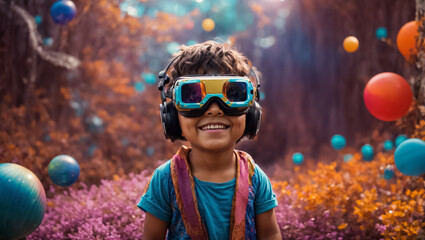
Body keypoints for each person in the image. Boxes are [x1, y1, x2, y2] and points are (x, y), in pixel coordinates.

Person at [138, 40, 281, 240]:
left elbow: (271, 235)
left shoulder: (255, 178)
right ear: (171, 115)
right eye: (193, 95)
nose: (214, 108)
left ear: (251, 113)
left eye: (233, 94)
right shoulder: (165, 179)